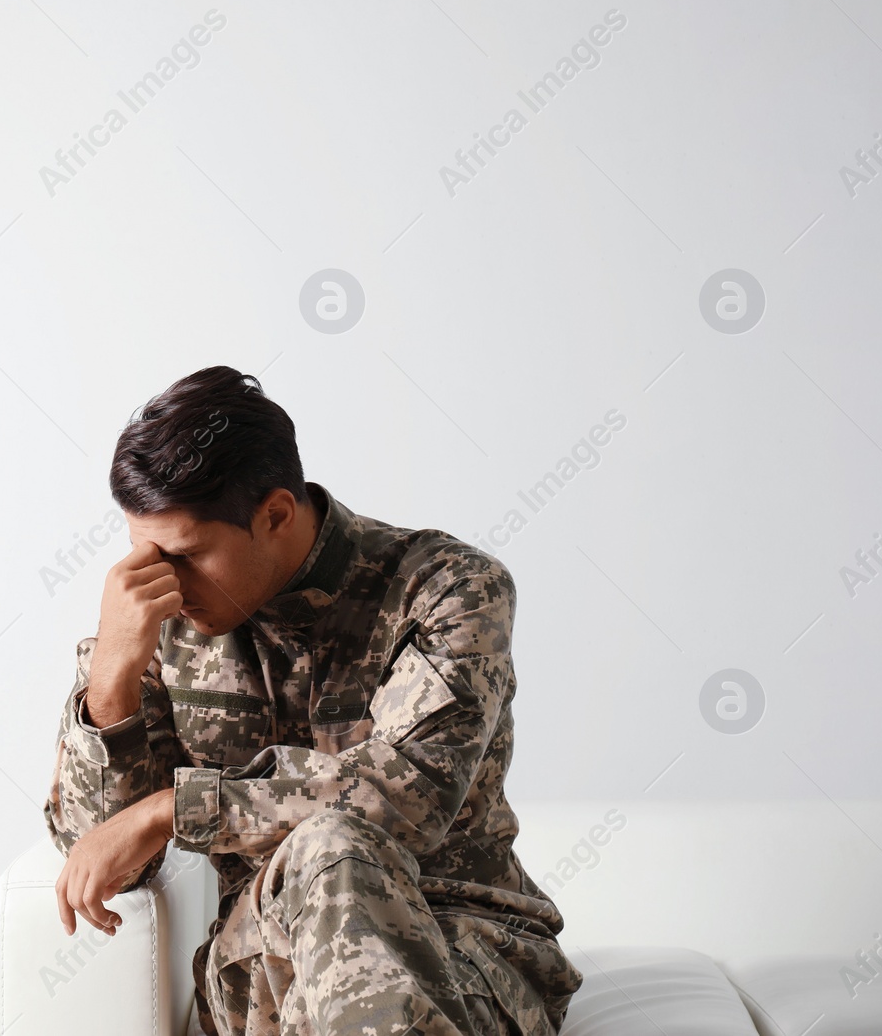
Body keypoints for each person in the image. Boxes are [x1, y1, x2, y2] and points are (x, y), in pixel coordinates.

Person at [43, 366, 585, 1036]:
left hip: (468, 956)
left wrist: (174, 807)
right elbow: (100, 854)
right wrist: (111, 679)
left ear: (274, 514)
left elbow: (403, 801)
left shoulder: (447, 588)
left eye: (187, 554)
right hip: (272, 967)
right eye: (143, 551)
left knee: (332, 840)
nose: (163, 583)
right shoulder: (153, 624)